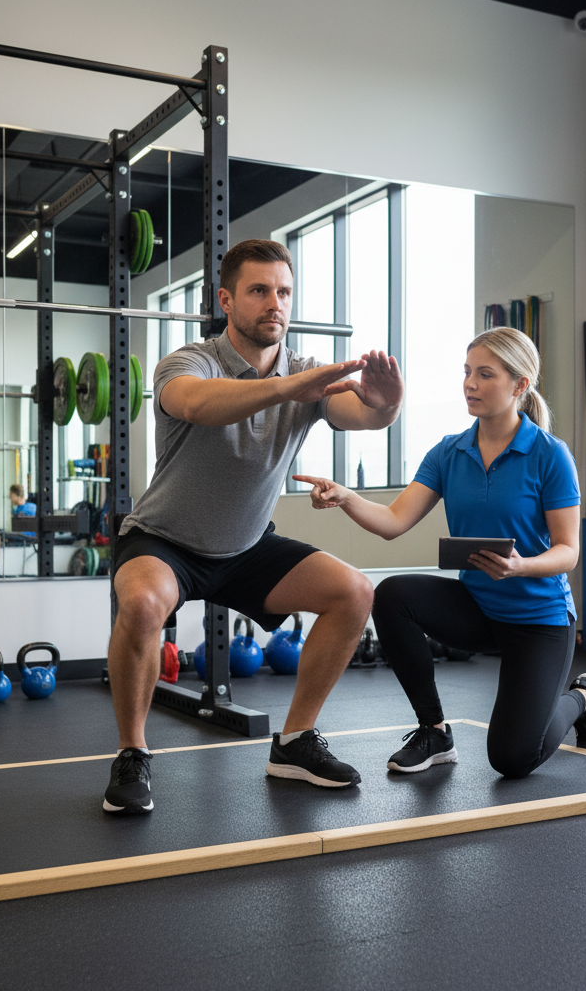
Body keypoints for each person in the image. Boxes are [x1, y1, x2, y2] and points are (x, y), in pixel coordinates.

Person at [104, 238, 404, 814]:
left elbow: (359, 414)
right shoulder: (189, 362)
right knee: (141, 604)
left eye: (284, 292)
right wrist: (292, 387)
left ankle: (295, 742)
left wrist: (386, 406)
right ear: (226, 300)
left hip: (246, 546)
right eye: (260, 290)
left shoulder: (308, 373)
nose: (275, 304)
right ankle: (132, 753)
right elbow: (199, 405)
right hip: (164, 541)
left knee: (353, 592)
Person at [294, 327, 586, 778]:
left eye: (485, 374)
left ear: (519, 385)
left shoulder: (549, 455)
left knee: (513, 758)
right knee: (393, 595)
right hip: (479, 608)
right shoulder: (449, 452)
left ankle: (582, 697)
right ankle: (434, 731)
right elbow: (393, 522)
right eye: (467, 372)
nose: (470, 384)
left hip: (539, 622)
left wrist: (520, 566)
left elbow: (568, 552)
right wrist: (345, 496)